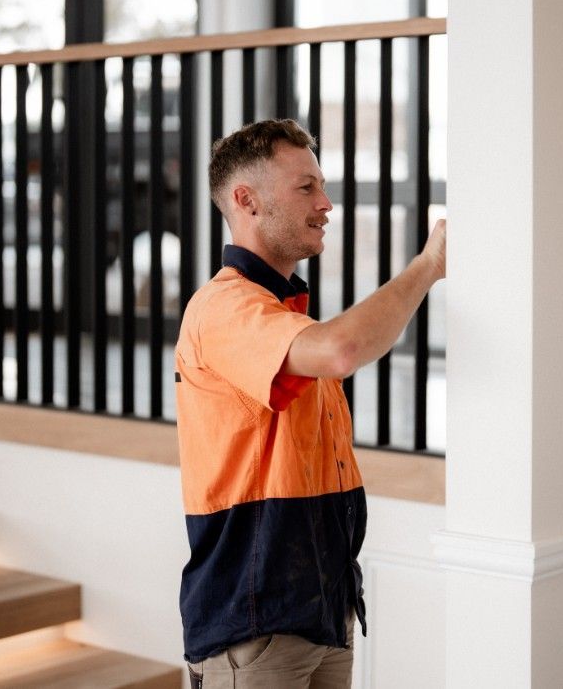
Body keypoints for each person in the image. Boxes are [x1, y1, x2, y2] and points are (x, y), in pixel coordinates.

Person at [174, 118, 446, 688]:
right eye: (306, 188)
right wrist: (427, 268)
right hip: (255, 629)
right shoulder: (224, 309)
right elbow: (342, 349)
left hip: (321, 614)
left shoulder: (286, 313)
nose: (326, 203)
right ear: (246, 200)